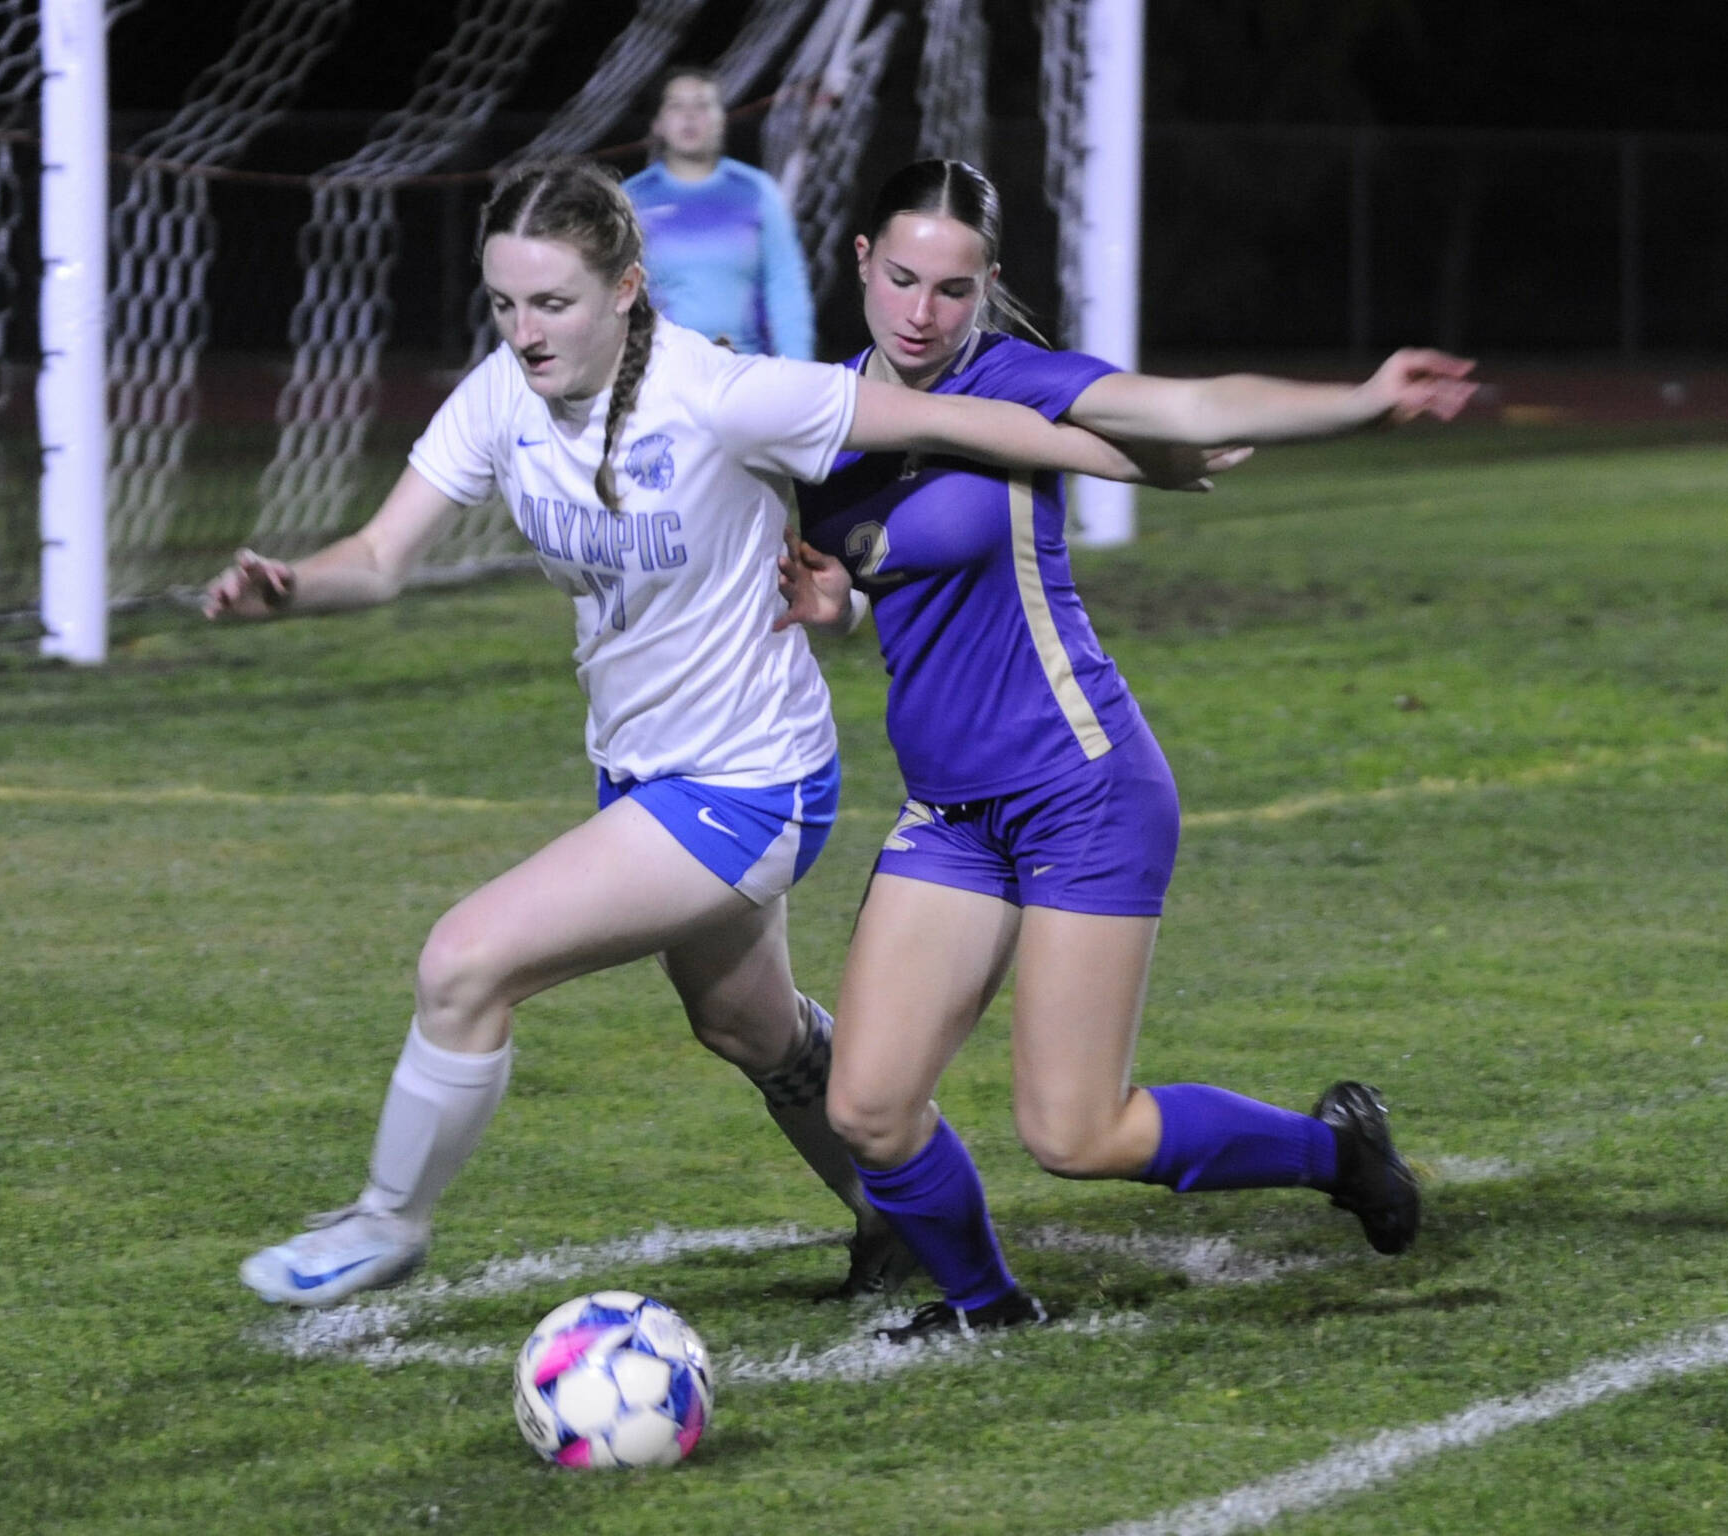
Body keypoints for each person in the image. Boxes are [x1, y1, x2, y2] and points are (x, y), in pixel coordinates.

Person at [204, 158, 1218, 1310]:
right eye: (502, 303)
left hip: (750, 783)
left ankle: (385, 1222)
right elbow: (379, 558)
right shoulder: (501, 396)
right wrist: (293, 586)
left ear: (626, 288)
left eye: (551, 304)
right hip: (642, 774)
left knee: (464, 962)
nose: (523, 332)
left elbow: (945, 415)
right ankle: (897, 1216)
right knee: (751, 1032)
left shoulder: (720, 393)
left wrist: (1142, 458)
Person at [778, 159, 1478, 1341]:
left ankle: (1337, 1153)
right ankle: (989, 1309)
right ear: (859, 261)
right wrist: (830, 610)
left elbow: (1192, 409)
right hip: (950, 809)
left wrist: (1360, 397)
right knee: (869, 1107)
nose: (919, 312)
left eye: (952, 289)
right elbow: (855, 587)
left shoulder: (1018, 384)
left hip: (1077, 788)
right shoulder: (816, 413)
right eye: (900, 279)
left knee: (1074, 1131)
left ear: (987, 289)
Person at [623, 65, 814, 359]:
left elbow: (785, 282)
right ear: (657, 123)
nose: (689, 116)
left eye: (702, 105)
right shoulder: (631, 197)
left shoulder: (757, 191)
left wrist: (800, 368)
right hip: (659, 372)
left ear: (722, 119)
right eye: (677, 106)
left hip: (746, 369)